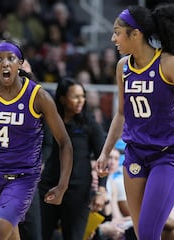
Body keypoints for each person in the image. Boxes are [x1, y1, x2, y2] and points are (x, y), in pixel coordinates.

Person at [96, 3, 174, 240]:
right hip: (135, 154)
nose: (113, 38)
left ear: (136, 34)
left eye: (117, 32)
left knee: (150, 231)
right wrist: (105, 151)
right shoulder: (123, 67)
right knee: (143, 234)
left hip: (169, 154)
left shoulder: (170, 64)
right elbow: (121, 114)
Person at [0, 40, 73, 240]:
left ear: (20, 63)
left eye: (11, 58)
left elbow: (64, 142)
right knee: (9, 236)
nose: (5, 64)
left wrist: (63, 185)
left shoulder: (38, 96)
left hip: (21, 178)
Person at [38, 78, 107, 240]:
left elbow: (102, 158)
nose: (80, 101)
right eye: (75, 96)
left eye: (82, 96)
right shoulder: (48, 121)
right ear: (62, 98)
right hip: (47, 188)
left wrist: (102, 190)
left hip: (78, 192)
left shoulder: (89, 124)